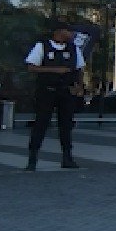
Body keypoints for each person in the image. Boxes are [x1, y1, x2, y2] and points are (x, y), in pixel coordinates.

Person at [25, 20, 85, 170]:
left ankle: (67, 157)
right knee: (41, 123)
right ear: (59, 32)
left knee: (66, 125)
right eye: (68, 31)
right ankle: (32, 159)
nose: (71, 34)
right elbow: (32, 67)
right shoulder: (42, 46)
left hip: (66, 91)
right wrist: (54, 70)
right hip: (47, 90)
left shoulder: (73, 48)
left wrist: (78, 86)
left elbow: (80, 68)